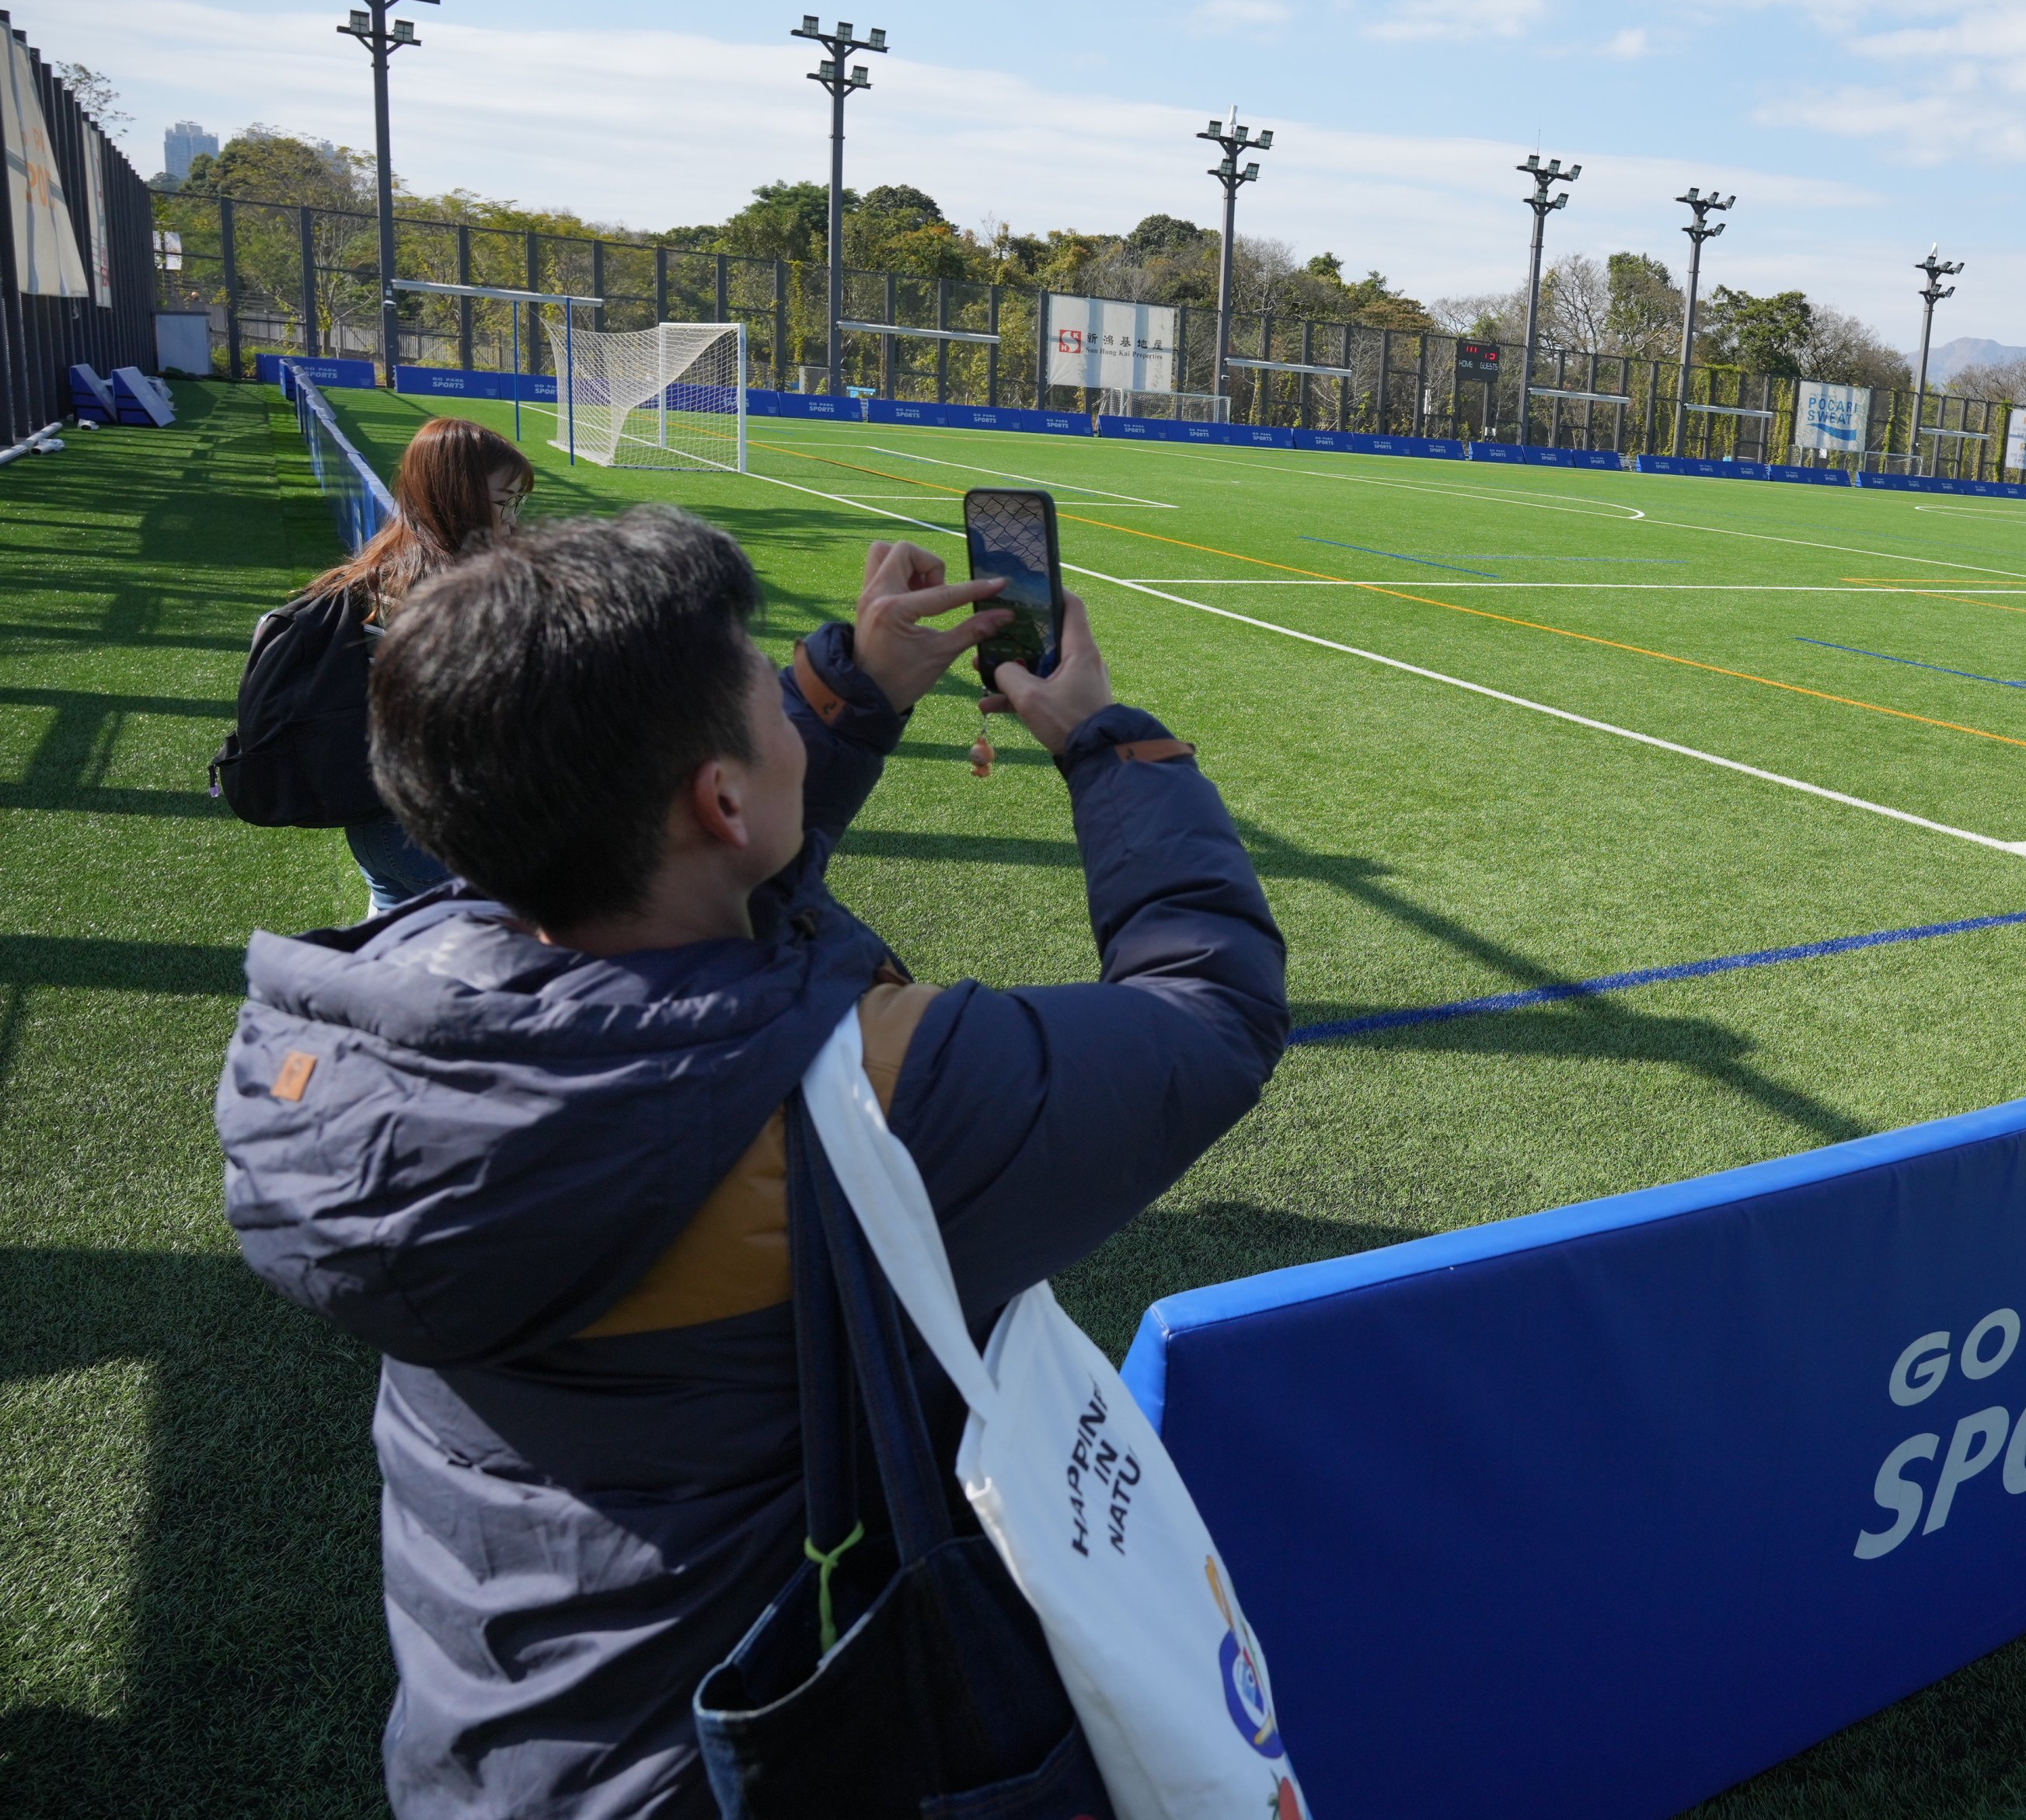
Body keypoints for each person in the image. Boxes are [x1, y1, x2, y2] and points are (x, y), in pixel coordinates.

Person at [210, 505, 1288, 1818]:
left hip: (497, 1752)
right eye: (765, 694)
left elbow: (668, 907)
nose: (786, 708)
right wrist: (1115, 751)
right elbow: (1208, 1018)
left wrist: (848, 695)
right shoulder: (857, 1101)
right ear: (721, 798)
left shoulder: (370, 1024)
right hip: (764, 1765)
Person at [298, 416, 539, 913]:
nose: (515, 519)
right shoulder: (451, 597)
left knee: (390, 961)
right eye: (505, 503)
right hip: (434, 829)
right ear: (458, 495)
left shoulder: (382, 568)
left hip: (375, 821)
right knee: (520, 949)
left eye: (519, 502)